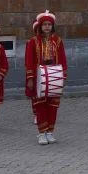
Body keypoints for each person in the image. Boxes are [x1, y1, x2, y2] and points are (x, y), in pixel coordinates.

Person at [24, 10, 67, 145]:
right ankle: (42, 133)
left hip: (54, 75)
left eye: (49, 24)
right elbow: (29, 60)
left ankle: (50, 132)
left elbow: (63, 59)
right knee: (41, 106)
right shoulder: (33, 42)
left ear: (52, 26)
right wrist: (30, 78)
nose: (47, 27)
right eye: (44, 24)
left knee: (53, 105)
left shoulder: (58, 41)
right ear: (40, 26)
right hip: (39, 77)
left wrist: (62, 76)